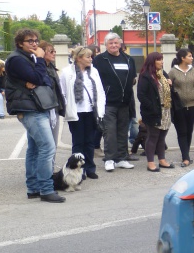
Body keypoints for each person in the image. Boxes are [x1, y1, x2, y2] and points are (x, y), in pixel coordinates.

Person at [4, 29, 65, 203]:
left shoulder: (27, 58)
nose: (34, 43)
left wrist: (35, 77)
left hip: (36, 106)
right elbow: (39, 78)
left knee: (35, 149)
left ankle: (33, 188)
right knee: (47, 147)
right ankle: (46, 189)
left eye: (36, 40)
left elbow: (44, 80)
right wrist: (39, 60)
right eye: (29, 41)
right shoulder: (17, 59)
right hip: (30, 109)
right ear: (20, 43)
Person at [59, 46, 106, 179]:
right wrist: (67, 107)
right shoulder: (67, 72)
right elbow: (62, 92)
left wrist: (100, 110)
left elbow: (100, 91)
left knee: (90, 141)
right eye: (88, 57)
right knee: (78, 142)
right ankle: (78, 169)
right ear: (79, 58)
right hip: (76, 112)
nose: (91, 59)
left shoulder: (94, 71)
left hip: (91, 111)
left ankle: (90, 168)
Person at [93, 32, 136, 171]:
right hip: (108, 103)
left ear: (120, 44)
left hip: (124, 102)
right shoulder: (99, 60)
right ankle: (109, 159)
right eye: (110, 43)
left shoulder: (129, 59)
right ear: (106, 45)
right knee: (110, 132)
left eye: (116, 43)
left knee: (123, 131)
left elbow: (133, 79)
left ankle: (121, 158)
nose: (113, 45)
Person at [137, 52, 174, 172]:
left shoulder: (163, 73)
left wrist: (170, 85)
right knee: (153, 136)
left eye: (162, 59)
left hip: (166, 110)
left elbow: (168, 90)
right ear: (152, 61)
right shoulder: (145, 75)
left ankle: (162, 160)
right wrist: (152, 107)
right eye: (159, 60)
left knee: (162, 137)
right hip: (153, 112)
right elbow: (141, 95)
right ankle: (150, 162)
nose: (162, 62)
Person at [169, 47, 194, 167]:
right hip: (179, 108)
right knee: (182, 132)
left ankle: (186, 154)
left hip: (193, 106)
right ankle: (185, 158)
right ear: (182, 58)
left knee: (189, 131)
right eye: (189, 56)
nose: (192, 58)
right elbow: (168, 88)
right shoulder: (173, 72)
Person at [41, 41, 66, 159]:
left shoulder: (51, 67)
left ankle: (50, 169)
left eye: (54, 51)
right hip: (44, 108)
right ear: (42, 52)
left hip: (54, 107)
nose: (54, 53)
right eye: (51, 51)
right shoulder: (39, 68)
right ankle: (44, 173)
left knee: (53, 142)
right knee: (46, 144)